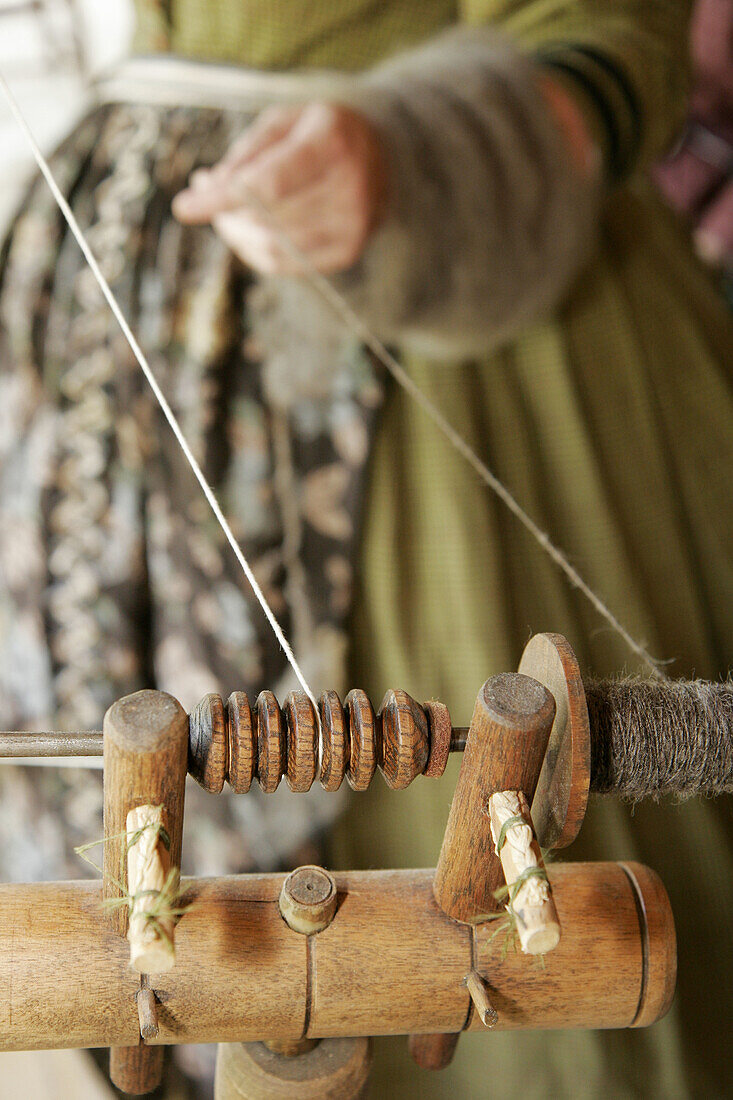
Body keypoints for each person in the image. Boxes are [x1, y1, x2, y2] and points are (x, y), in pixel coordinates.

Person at [0, 2, 731, 1097]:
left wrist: (422, 163)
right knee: (159, 964)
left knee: (549, 976)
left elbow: (608, 32)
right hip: (124, 342)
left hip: (463, 302)